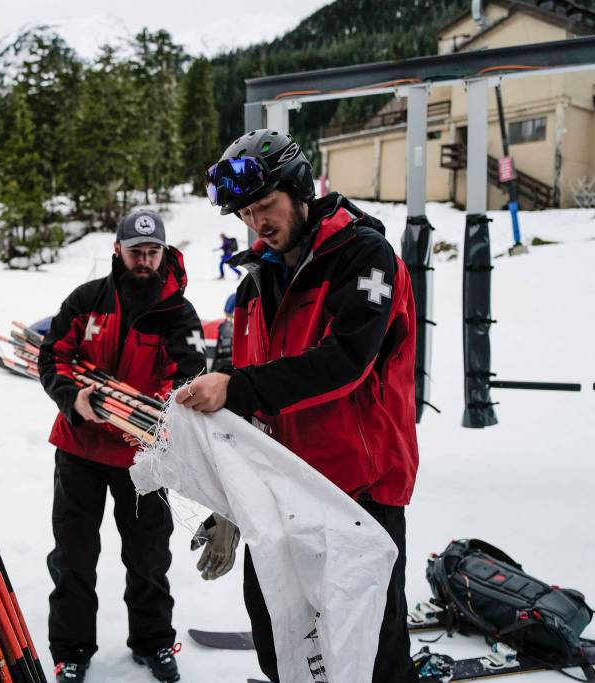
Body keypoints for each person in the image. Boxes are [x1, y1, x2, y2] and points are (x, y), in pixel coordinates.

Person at [177, 129, 420, 683]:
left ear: (299, 190)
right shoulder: (258, 280)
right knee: (280, 636)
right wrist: (232, 500)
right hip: (283, 489)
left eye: (266, 205)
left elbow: (345, 361)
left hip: (359, 490)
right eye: (244, 213)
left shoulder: (364, 256)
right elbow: (254, 402)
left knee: (371, 654)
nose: (256, 222)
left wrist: (234, 386)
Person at [38, 208, 207, 683]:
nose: (145, 261)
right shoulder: (88, 300)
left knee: (149, 554)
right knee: (73, 554)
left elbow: (189, 373)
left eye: (153, 252)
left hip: (143, 457)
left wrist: (155, 410)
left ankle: (154, 642)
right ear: (117, 250)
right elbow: (54, 357)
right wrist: (75, 399)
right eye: (136, 252)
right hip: (79, 447)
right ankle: (70, 649)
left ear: (165, 253)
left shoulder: (177, 312)